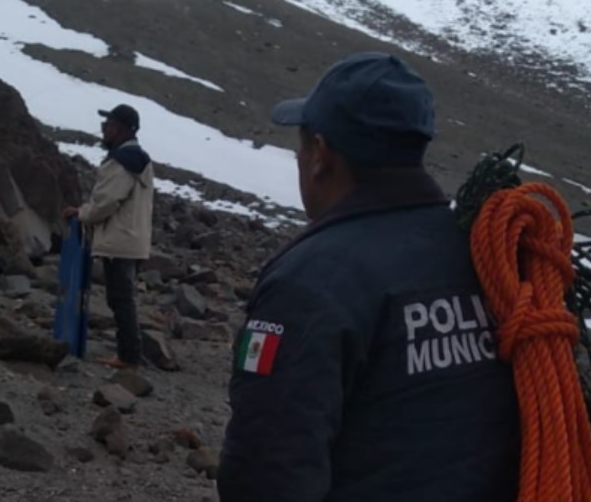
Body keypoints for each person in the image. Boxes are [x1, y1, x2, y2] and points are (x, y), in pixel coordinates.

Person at [217, 53, 520, 501]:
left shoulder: (312, 279)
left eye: (301, 147)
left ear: (320, 155)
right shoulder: (483, 255)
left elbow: (266, 470)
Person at [63, 104, 154, 370]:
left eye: (110, 125)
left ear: (125, 129)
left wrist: (81, 214)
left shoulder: (122, 161)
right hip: (133, 238)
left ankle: (128, 356)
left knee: (120, 298)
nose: (104, 130)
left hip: (120, 240)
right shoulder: (139, 159)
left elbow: (106, 202)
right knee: (123, 297)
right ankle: (130, 352)